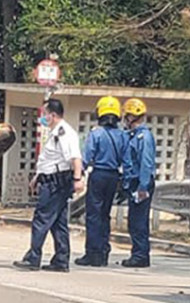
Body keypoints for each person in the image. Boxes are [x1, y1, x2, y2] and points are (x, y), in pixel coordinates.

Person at [13, 99, 84, 272]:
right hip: (51, 179)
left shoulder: (64, 133)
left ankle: (33, 257)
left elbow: (75, 157)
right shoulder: (54, 133)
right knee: (57, 222)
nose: (43, 117)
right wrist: (37, 177)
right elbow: (49, 160)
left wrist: (77, 179)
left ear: (52, 115)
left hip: (56, 182)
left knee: (41, 219)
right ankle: (61, 259)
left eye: (45, 114)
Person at [75, 96, 131, 267]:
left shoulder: (96, 133)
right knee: (105, 215)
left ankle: (93, 254)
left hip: (98, 175)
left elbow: (87, 157)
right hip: (114, 176)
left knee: (93, 215)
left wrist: (78, 175)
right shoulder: (123, 135)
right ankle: (104, 251)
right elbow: (127, 160)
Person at [121, 98, 155, 268]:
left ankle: (141, 255)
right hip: (133, 182)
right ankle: (137, 252)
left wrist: (142, 186)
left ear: (131, 117)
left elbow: (146, 163)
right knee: (134, 220)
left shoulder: (144, 137)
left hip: (141, 182)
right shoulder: (133, 136)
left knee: (138, 221)